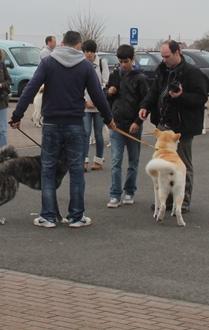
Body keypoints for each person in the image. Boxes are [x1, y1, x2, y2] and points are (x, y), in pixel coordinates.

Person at [10, 30, 114, 229]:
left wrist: (17, 115)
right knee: (76, 171)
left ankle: (48, 217)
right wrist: (108, 119)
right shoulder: (85, 66)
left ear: (62, 43)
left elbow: (31, 88)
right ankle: (76, 217)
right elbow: (98, 96)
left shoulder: (48, 63)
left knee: (48, 170)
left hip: (51, 124)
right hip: (75, 124)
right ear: (78, 46)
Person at [138, 40, 208, 213]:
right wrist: (145, 106)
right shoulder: (162, 70)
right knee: (162, 164)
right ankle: (165, 201)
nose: (164, 60)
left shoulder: (192, 73)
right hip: (164, 123)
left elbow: (201, 98)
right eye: (162, 57)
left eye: (167, 56)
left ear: (178, 53)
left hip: (182, 126)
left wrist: (181, 96)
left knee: (183, 164)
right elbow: (154, 91)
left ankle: (182, 200)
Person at [105, 44, 148, 208]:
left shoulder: (141, 78)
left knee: (133, 161)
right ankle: (114, 194)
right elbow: (106, 97)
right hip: (116, 125)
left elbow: (145, 103)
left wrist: (138, 122)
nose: (123, 65)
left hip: (133, 125)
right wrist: (109, 92)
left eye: (126, 61)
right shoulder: (115, 75)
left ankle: (129, 191)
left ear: (133, 59)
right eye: (121, 61)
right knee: (116, 161)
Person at [82, 39, 110, 171]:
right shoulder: (80, 64)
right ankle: (84, 160)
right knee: (86, 132)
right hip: (86, 105)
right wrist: (85, 101)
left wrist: (98, 98)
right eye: (86, 51)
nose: (89, 54)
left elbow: (105, 83)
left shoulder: (102, 63)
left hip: (99, 105)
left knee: (98, 134)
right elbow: (77, 85)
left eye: (91, 52)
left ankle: (99, 159)